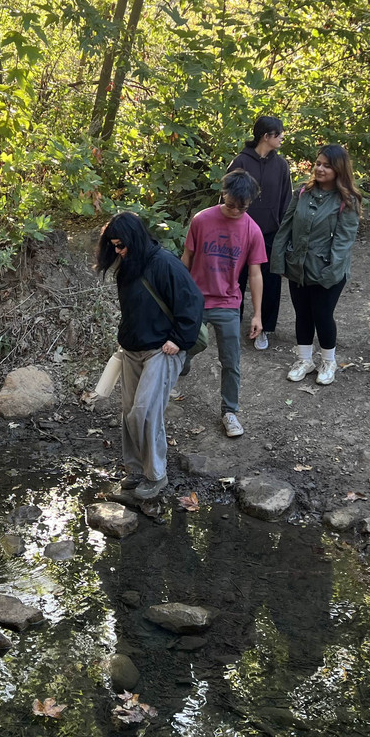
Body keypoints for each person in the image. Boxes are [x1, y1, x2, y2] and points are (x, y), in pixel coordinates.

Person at [97, 212, 204, 500]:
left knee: (145, 411)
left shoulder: (165, 263)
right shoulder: (128, 264)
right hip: (132, 350)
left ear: (135, 238)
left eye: (121, 245)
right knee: (129, 412)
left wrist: (179, 340)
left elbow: (193, 302)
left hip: (162, 350)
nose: (118, 252)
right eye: (114, 247)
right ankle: (135, 469)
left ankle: (156, 475)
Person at [181, 170, 267, 438]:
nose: (234, 211)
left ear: (250, 203)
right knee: (184, 346)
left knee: (231, 361)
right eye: (230, 204)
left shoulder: (252, 230)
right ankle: (177, 373)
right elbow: (186, 259)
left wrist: (257, 315)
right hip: (196, 299)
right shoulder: (202, 220)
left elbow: (255, 274)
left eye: (241, 208)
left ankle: (229, 412)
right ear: (223, 194)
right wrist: (178, 297)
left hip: (229, 303)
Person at [272, 145, 362, 386]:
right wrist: (279, 261)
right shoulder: (302, 192)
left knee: (322, 314)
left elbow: (344, 242)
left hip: (328, 269)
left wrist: (328, 274)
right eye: (318, 163)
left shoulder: (346, 200)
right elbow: (286, 227)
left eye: (327, 165)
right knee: (302, 314)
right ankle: (304, 360)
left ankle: (328, 361)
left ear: (338, 169)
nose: (320, 168)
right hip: (298, 266)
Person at [227, 115, 293, 350]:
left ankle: (263, 327)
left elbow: (287, 202)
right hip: (239, 235)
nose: (283, 137)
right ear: (266, 136)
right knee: (236, 280)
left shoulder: (282, 165)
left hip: (270, 235)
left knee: (270, 281)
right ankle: (231, 326)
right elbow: (226, 200)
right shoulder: (240, 163)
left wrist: (284, 234)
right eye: (279, 133)